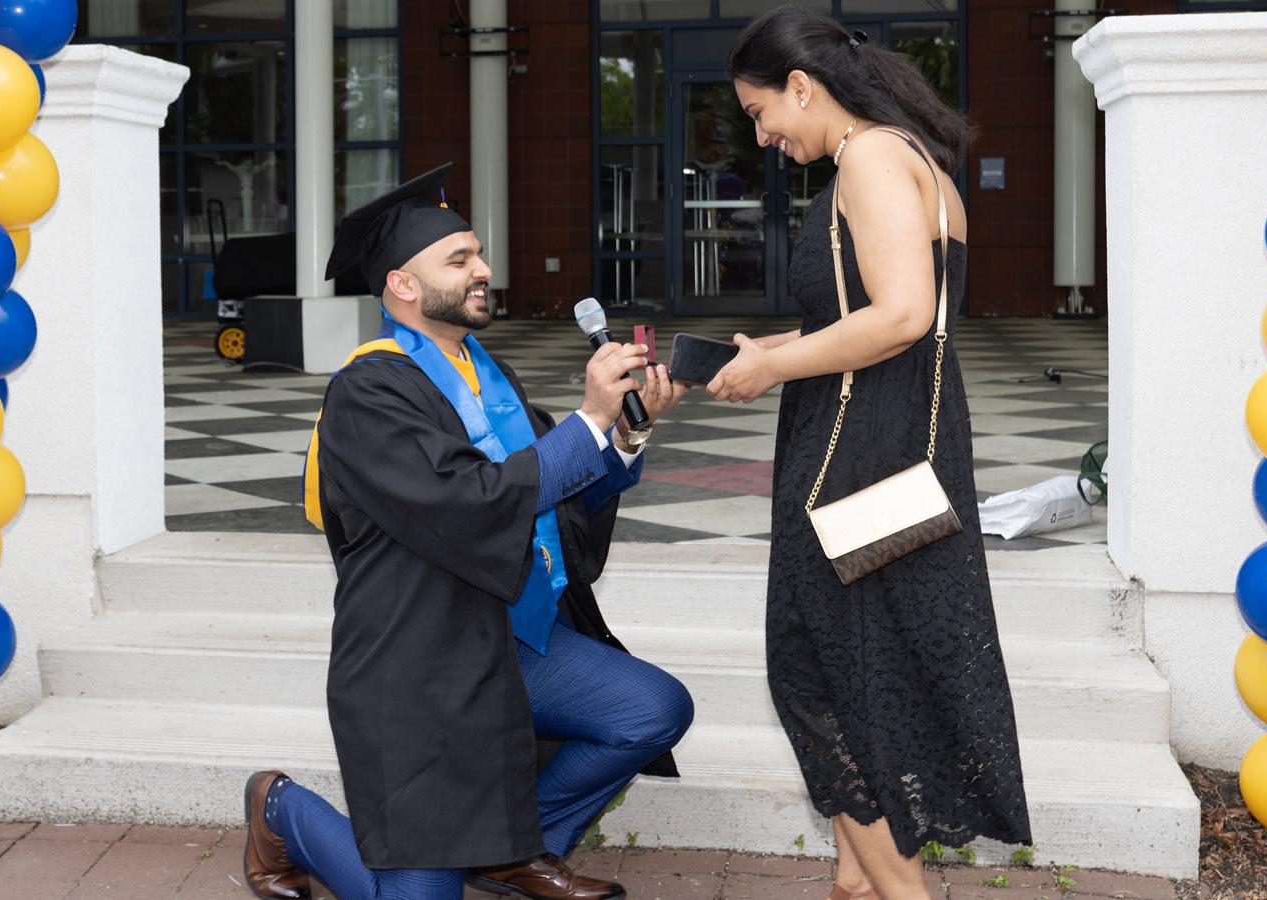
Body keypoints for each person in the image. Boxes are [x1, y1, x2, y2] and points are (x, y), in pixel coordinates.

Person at [242, 163, 694, 900]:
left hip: (510, 638)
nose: (484, 271)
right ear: (403, 286)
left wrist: (627, 434)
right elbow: (472, 502)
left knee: (649, 710)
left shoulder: (487, 373)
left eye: (479, 254)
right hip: (420, 668)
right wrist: (587, 419)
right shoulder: (369, 391)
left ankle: (515, 850)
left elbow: (554, 493)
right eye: (460, 260)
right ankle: (280, 809)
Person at [707, 7, 1033, 898]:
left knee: (837, 680)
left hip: (862, 455)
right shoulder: (901, 157)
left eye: (761, 112)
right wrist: (777, 354)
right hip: (873, 443)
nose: (763, 135)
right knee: (848, 673)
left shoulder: (873, 158)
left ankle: (896, 891)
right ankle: (857, 881)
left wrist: (771, 363)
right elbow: (873, 314)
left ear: (802, 88)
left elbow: (900, 316)